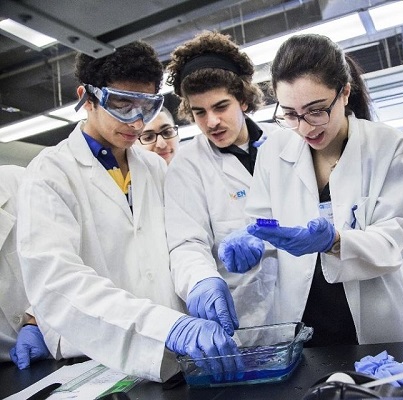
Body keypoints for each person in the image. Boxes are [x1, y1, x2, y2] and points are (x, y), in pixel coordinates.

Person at [16, 41, 239, 381]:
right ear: (87, 98)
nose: (137, 122)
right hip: (95, 358)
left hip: (174, 354)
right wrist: (166, 326)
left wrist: (199, 280)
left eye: (147, 106)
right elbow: (59, 282)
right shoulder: (50, 174)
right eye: (122, 105)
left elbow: (179, 244)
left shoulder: (155, 168)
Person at [220, 33, 403, 346]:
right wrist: (252, 242)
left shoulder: (391, 148)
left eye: (316, 110)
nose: (304, 128)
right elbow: (263, 223)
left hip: (374, 324)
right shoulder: (275, 150)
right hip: (301, 324)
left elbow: (392, 242)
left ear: (344, 92)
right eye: (290, 114)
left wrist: (335, 240)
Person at [164, 31, 279, 332]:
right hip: (247, 314)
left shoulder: (287, 141)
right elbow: (187, 244)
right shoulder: (187, 166)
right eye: (199, 112)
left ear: (242, 99)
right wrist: (202, 281)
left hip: (309, 297)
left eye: (220, 106)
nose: (211, 122)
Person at [0, 165, 50, 369]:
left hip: (74, 341)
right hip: (10, 368)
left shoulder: (22, 183)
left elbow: (80, 253)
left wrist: (36, 321)